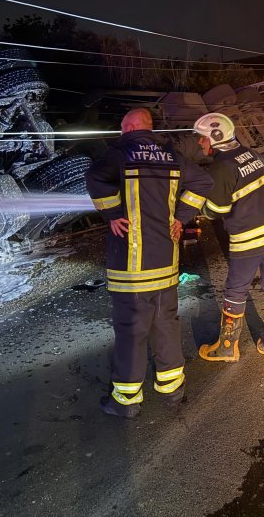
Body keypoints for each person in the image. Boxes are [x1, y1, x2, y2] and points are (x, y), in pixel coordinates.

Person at [85, 107, 213, 419]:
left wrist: (113, 213)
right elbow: (203, 182)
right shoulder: (172, 157)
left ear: (127, 126)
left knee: (131, 330)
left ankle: (127, 401)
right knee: (166, 324)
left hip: (131, 268)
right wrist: (182, 218)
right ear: (149, 127)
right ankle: (172, 390)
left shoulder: (119, 154)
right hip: (166, 264)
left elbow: (94, 178)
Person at [193, 112, 264, 363]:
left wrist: (198, 208)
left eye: (202, 138)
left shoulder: (221, 167)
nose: (199, 143)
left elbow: (216, 211)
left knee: (235, 290)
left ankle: (228, 348)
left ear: (215, 137)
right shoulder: (250, 154)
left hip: (250, 238)